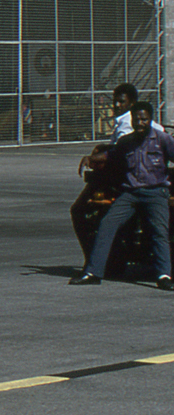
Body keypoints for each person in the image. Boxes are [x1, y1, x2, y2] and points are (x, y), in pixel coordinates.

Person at [70, 101, 174, 288]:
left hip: (155, 192)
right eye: (137, 119)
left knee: (160, 232)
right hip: (131, 194)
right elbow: (111, 156)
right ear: (132, 120)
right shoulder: (126, 141)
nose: (140, 123)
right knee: (107, 225)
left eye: (144, 119)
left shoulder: (162, 139)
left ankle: (164, 276)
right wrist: (91, 158)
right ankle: (93, 273)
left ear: (151, 120)